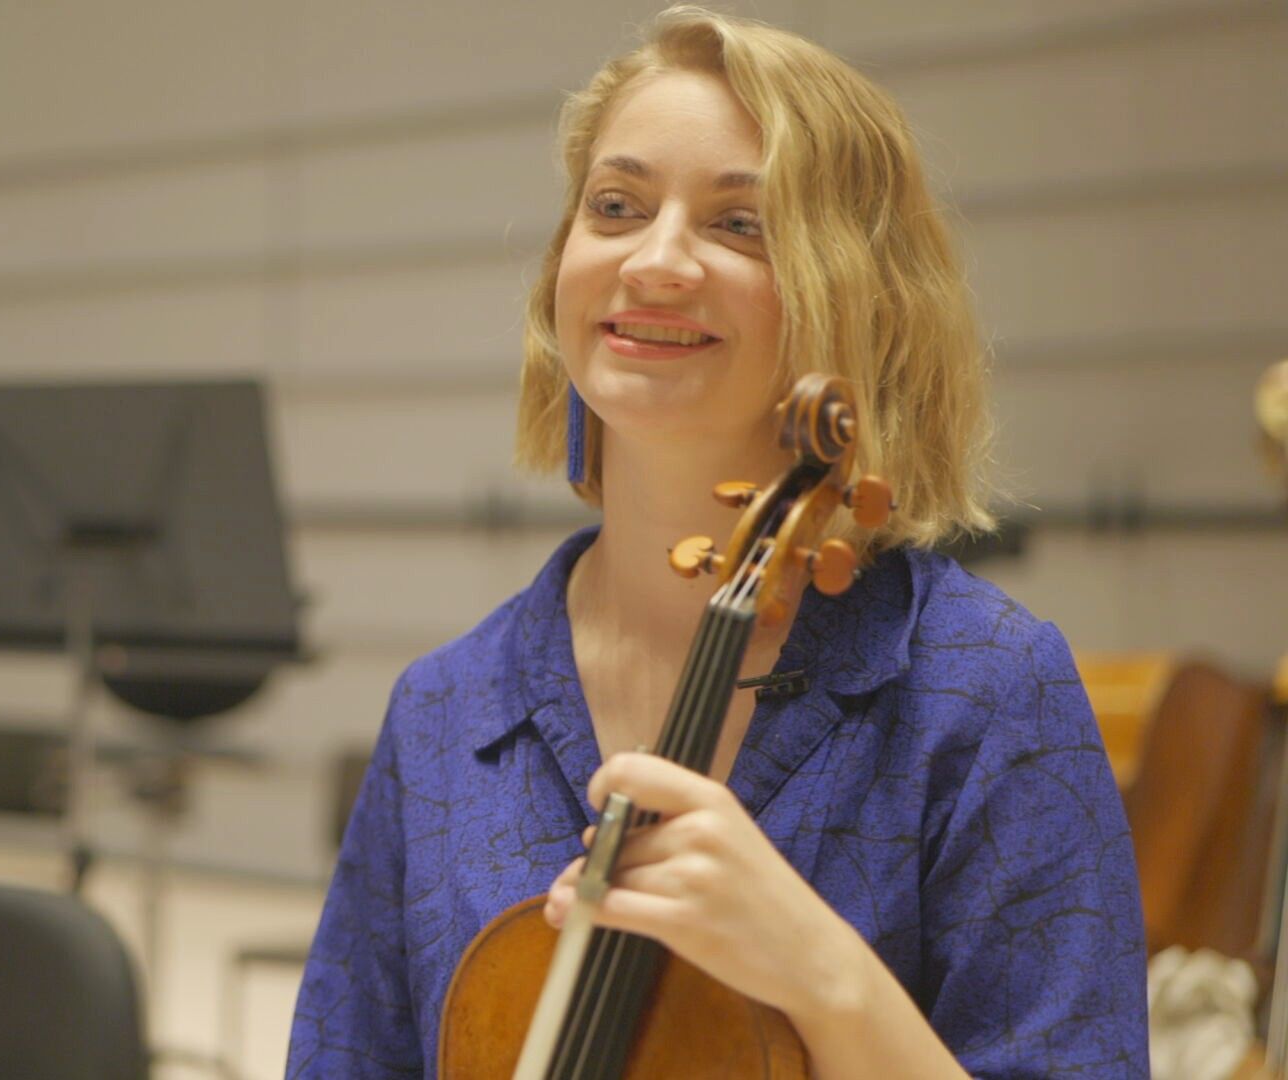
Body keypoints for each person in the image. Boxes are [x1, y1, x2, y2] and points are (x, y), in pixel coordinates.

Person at [285, 6, 1149, 1078]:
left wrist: (825, 978)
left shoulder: (985, 691)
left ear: (857, 297)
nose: (656, 261)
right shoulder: (445, 711)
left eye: (740, 224)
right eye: (616, 206)